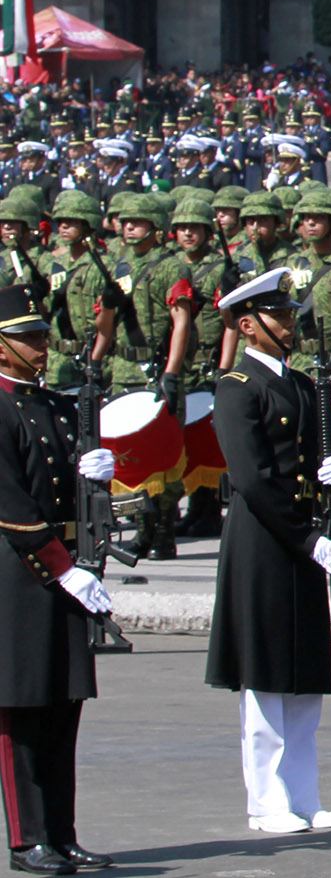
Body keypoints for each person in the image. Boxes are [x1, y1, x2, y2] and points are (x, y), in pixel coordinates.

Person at [205, 267, 331, 835]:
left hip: (301, 536)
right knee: (266, 681)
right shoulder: (236, 388)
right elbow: (255, 478)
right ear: (248, 325)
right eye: (280, 316)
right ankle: (267, 803)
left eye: (292, 315)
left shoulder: (303, 385)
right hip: (267, 540)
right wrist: (309, 537)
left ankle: (305, 794)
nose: (292, 324)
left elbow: (305, 464)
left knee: (305, 677)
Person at [0, 282, 117, 875]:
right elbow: (11, 503)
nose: (41, 346)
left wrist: (99, 475)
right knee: (20, 712)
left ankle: (63, 832)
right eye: (28, 338)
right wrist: (62, 566)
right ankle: (28, 839)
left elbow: (76, 487)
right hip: (20, 578)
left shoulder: (57, 405)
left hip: (69, 569)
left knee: (63, 708)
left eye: (41, 335)